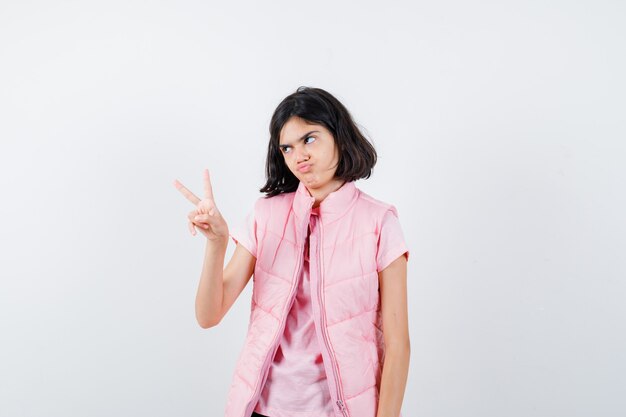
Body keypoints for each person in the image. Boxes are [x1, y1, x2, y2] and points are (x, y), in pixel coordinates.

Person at [174, 86, 410, 417]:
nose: (299, 155)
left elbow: (398, 347)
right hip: (261, 408)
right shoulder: (266, 216)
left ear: (339, 135)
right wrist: (217, 244)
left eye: (309, 139)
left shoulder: (379, 222)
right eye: (287, 147)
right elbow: (208, 315)